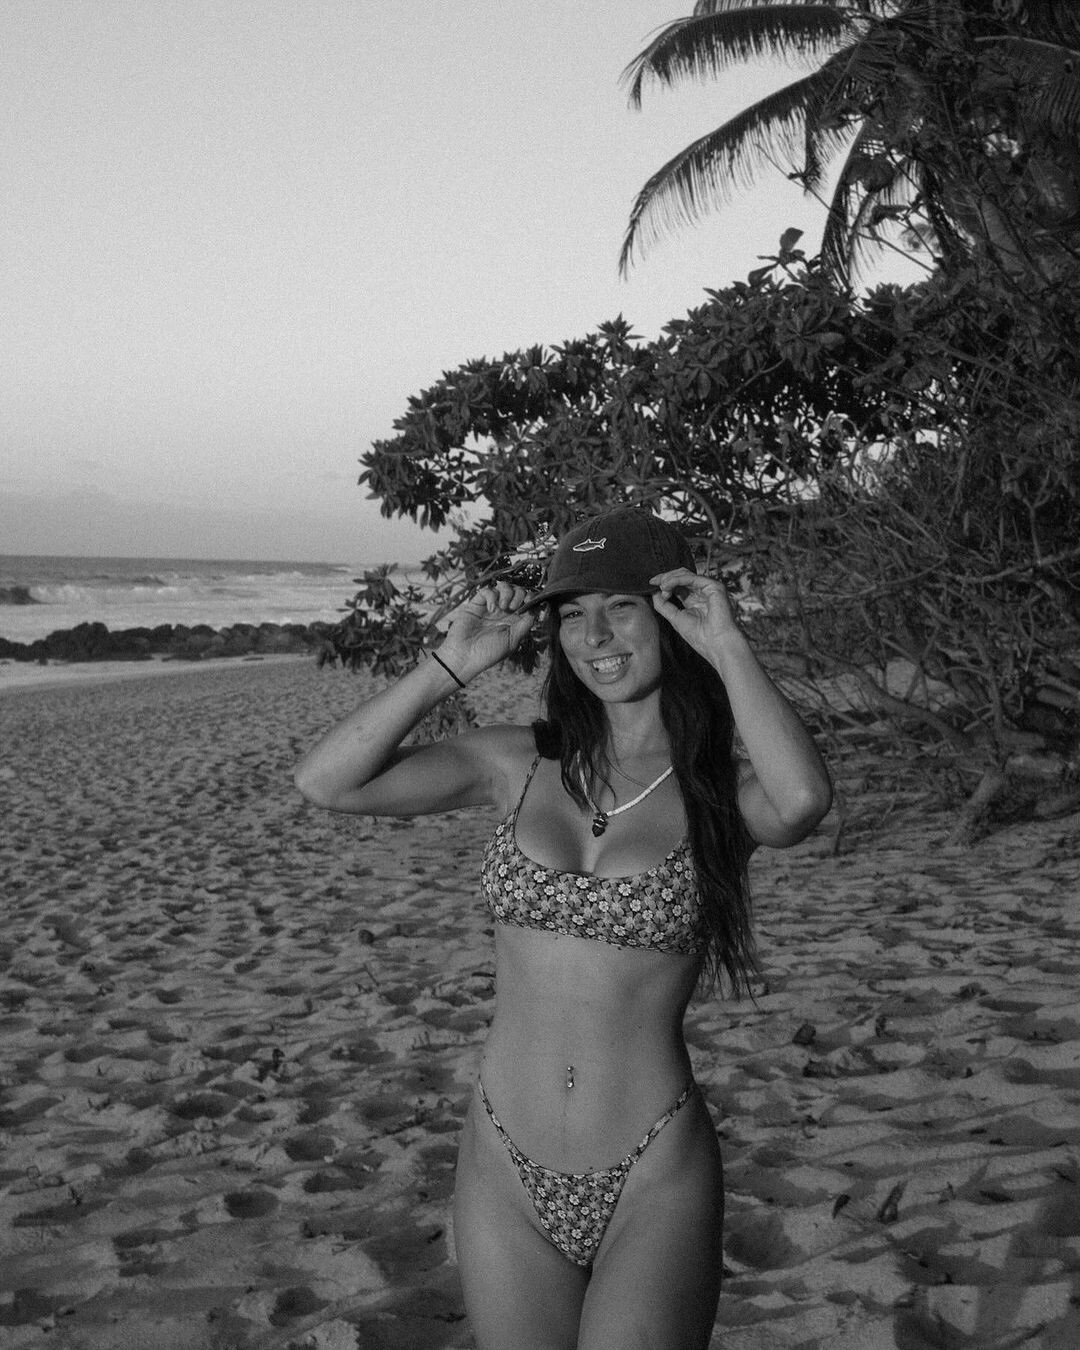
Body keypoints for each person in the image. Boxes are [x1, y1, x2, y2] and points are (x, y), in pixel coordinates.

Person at [294, 507, 832, 1350]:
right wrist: (450, 664)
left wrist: (727, 645)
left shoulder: (720, 790)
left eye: (621, 607)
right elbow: (328, 783)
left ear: (672, 613)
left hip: (652, 1168)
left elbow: (802, 801)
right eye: (573, 614)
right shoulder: (518, 761)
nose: (595, 637)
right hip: (502, 1164)